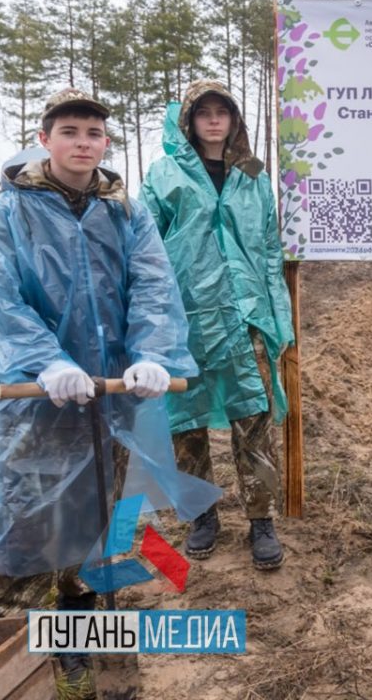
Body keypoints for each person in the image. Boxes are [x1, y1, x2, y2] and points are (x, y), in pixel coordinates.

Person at [0, 88, 220, 688]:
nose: (83, 143)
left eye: (94, 134)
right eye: (71, 132)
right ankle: (18, 655)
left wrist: (153, 355)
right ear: (45, 137)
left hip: (110, 396)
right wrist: (45, 363)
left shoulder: (124, 212)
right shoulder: (6, 214)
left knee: (99, 518)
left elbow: (153, 285)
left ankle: (79, 639)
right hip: (33, 403)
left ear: (106, 143)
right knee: (29, 522)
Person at [141, 80, 295, 570]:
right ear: (189, 121)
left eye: (221, 112)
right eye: (202, 112)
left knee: (253, 419)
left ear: (233, 120)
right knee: (185, 421)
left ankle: (260, 519)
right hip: (184, 318)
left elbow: (270, 249)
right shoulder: (163, 176)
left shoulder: (252, 177)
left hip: (243, 316)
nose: (212, 120)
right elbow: (145, 250)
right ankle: (203, 515)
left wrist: (275, 312)